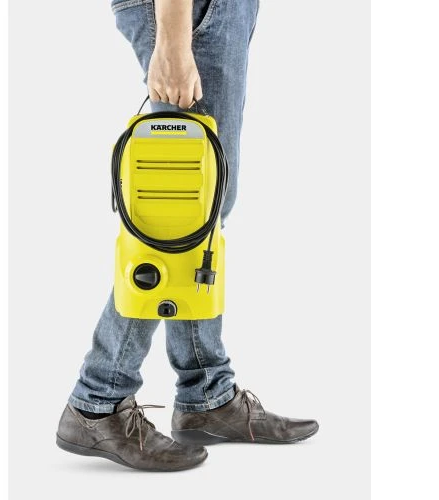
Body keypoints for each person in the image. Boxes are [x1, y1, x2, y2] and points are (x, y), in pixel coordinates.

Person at [57, 0, 318, 472]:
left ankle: (207, 395)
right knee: (182, 219)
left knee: (203, 217)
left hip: (208, 12)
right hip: (193, 10)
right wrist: (174, 39)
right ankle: (97, 400)